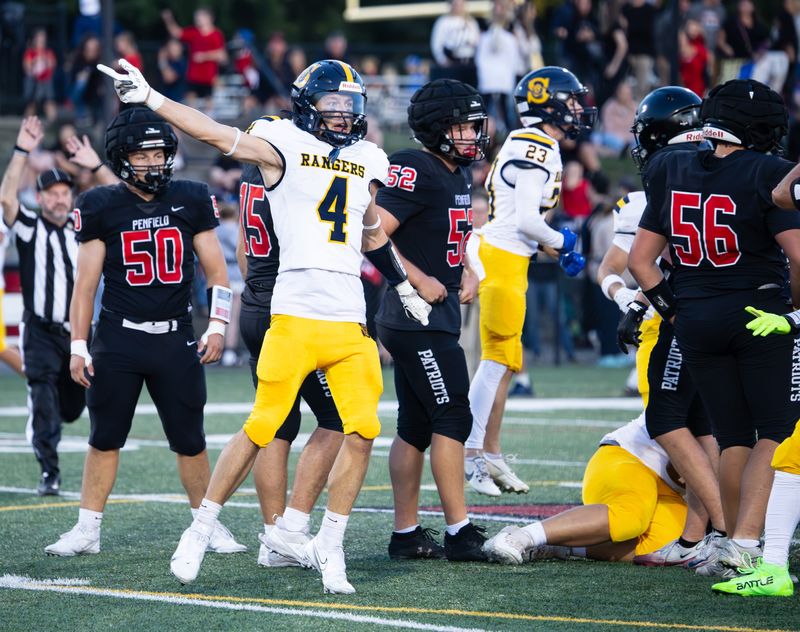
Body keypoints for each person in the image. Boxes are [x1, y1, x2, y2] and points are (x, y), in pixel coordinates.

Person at [97, 58, 431, 593]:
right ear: (307, 105)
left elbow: (370, 232)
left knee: (363, 431)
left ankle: (330, 544)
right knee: (262, 426)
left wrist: (405, 286)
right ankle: (200, 528)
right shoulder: (283, 144)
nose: (342, 116)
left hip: (349, 319)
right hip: (295, 311)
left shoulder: (370, 156)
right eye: (332, 105)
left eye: (350, 107)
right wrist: (153, 98)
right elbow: (213, 131)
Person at [43, 107, 244, 558]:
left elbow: (218, 275)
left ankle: (206, 524)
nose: (154, 161)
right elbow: (85, 287)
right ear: (121, 156)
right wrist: (79, 345)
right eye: (143, 153)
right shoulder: (99, 204)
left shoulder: (192, 197)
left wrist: (216, 324)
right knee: (104, 435)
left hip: (175, 337)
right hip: (119, 338)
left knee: (190, 439)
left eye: (160, 152)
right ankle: (87, 529)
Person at [628, 78, 800, 578]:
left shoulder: (670, 166)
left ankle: (727, 542)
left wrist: (679, 313)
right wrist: (794, 313)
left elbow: (641, 262)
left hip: (696, 318)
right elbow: (795, 255)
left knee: (731, 436)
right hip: (759, 315)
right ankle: (746, 543)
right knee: (777, 430)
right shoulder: (768, 172)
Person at [598, 86, 727, 568]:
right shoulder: (731, 170)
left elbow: (639, 261)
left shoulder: (658, 183)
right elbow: (614, 271)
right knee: (707, 428)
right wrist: (627, 298)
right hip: (742, 309)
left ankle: (728, 530)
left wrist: (657, 306)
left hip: (686, 313)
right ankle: (699, 538)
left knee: (669, 421)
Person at [375, 79, 490, 561]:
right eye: (462, 126)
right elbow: (374, 232)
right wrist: (420, 277)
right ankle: (459, 532)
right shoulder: (413, 166)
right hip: (413, 313)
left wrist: (463, 265)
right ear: (438, 128)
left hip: (432, 311)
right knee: (452, 414)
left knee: (416, 425)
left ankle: (405, 534)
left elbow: (444, 230)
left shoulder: (455, 171)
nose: (472, 135)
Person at [464, 66, 592, 497]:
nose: (577, 109)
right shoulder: (538, 146)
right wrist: (564, 242)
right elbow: (526, 219)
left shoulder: (533, 142)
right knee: (494, 363)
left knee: (503, 367)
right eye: (571, 100)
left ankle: (491, 451)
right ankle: (471, 455)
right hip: (501, 260)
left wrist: (555, 246)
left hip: (510, 259)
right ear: (549, 103)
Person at [234, 118, 345, 569]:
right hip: (291, 306)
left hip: (257, 301)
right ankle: (288, 530)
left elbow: (245, 249)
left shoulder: (250, 174)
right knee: (335, 419)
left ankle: (273, 534)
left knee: (277, 423)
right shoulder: (290, 171)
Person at [0, 117, 115, 496]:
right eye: (51, 193)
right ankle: (49, 471)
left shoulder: (83, 227)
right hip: (41, 332)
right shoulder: (31, 225)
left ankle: (62, 443)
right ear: (41, 197)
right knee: (44, 396)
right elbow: (6, 199)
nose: (60, 198)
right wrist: (21, 151)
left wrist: (94, 164)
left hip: (80, 333)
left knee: (71, 407)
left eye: (65, 192)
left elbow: (123, 200)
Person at [484, 414, 689, 564]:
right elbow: (681, 465)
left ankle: (559, 545)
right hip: (627, 459)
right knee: (629, 517)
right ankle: (522, 536)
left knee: (671, 548)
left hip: (669, 490)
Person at [161, 8, 227, 109]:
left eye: (200, 17)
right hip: (194, 75)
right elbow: (177, 33)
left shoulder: (216, 34)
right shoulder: (194, 32)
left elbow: (221, 55)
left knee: (208, 103)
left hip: (208, 76)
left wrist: (204, 56)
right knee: (191, 102)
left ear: (209, 18)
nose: (197, 19)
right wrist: (169, 20)